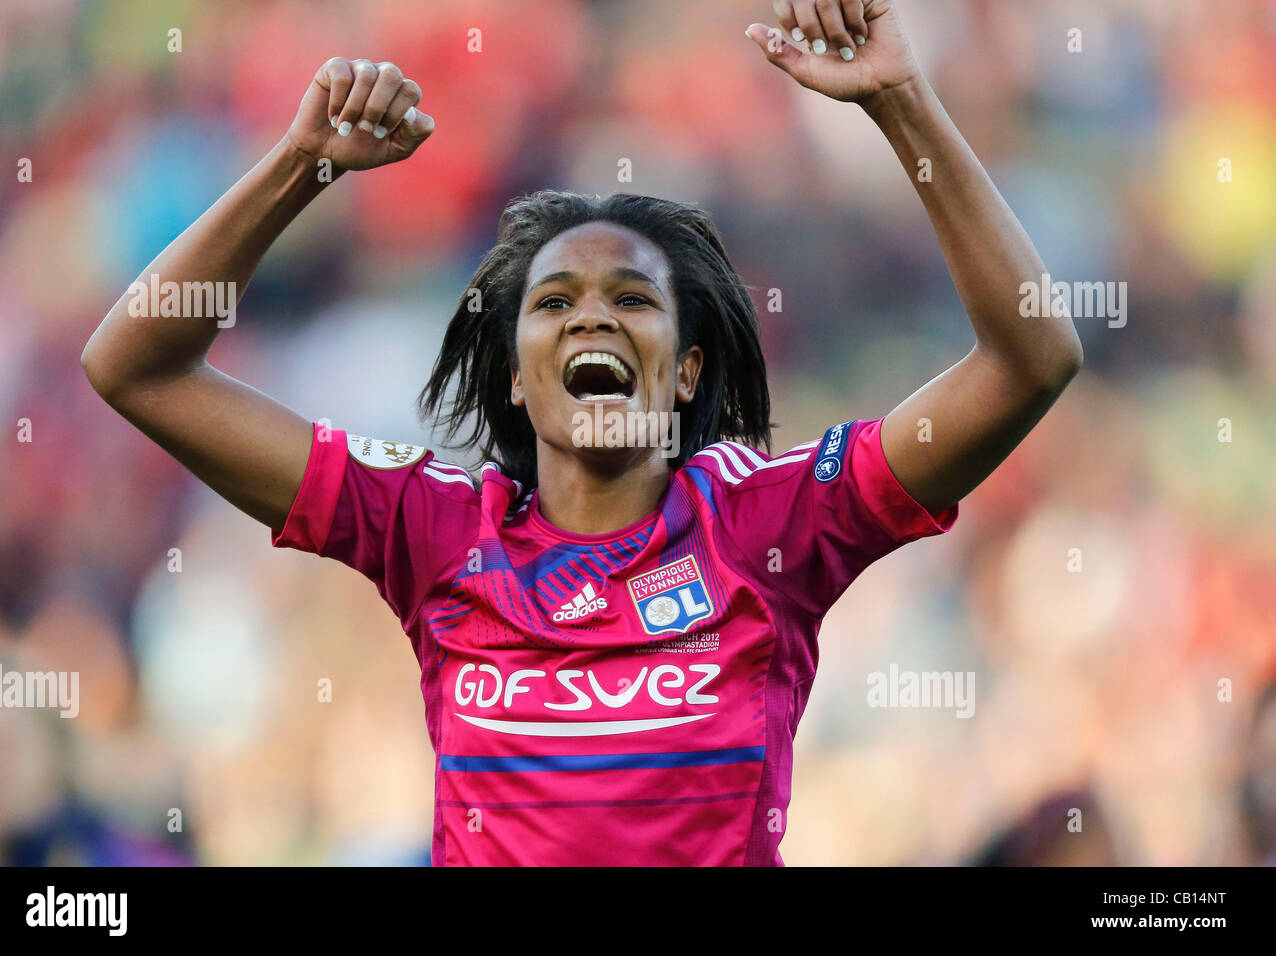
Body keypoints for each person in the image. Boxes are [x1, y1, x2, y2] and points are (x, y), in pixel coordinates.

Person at [82, 0, 1082, 865]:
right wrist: (299, 167)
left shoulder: (770, 522)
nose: (592, 316)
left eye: (633, 299)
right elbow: (135, 365)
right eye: (553, 301)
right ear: (516, 376)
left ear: (687, 367)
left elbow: (1029, 359)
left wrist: (899, 104)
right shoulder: (434, 532)